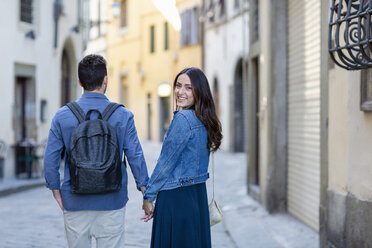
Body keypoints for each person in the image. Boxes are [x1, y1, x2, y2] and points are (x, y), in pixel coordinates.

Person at [44, 54, 149, 247]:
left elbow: (50, 159)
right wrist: (146, 194)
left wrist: (56, 189)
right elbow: (135, 155)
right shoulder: (123, 115)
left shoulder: (62, 116)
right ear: (105, 80)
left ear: (79, 81)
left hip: (75, 200)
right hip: (112, 201)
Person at [142, 67, 223, 248]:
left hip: (176, 198)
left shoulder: (183, 119)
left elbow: (165, 163)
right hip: (197, 196)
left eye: (188, 87)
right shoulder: (204, 119)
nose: (180, 92)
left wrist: (148, 196)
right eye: (178, 86)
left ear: (198, 91)